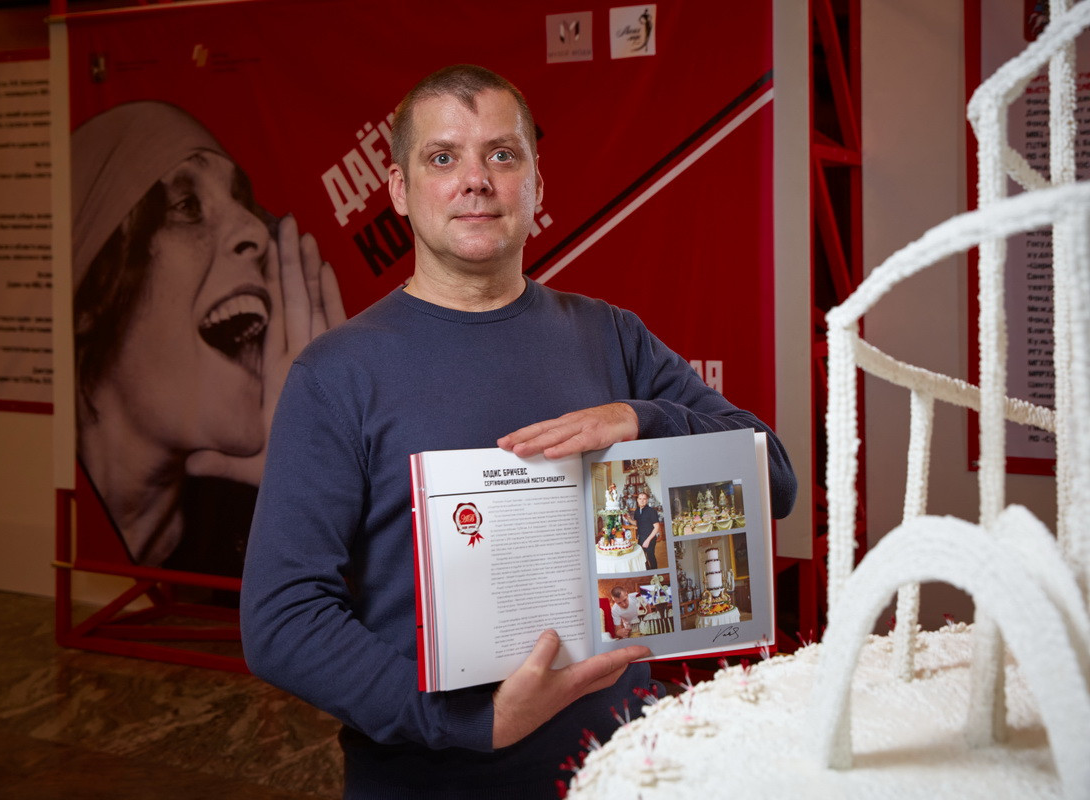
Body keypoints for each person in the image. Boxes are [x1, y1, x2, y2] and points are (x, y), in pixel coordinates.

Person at [240, 64, 796, 797]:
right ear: (399, 190)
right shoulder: (337, 374)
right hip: (434, 782)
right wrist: (471, 722)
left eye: (502, 155)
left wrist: (643, 419)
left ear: (536, 184)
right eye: (443, 157)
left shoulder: (611, 336)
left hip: (622, 769)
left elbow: (775, 479)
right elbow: (282, 619)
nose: (476, 180)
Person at [72, 101, 345, 575]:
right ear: (94, 293)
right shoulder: (38, 516)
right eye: (186, 207)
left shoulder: (245, 526)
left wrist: (310, 480)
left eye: (242, 201)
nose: (255, 229)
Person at [628, 491, 664, 569]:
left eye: (644, 499)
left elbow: (657, 527)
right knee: (642, 556)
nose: (642, 501)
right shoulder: (637, 511)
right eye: (640, 499)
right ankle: (647, 570)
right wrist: (628, 518)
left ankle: (655, 573)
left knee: (650, 556)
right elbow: (637, 523)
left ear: (647, 500)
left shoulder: (651, 511)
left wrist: (648, 540)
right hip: (641, 537)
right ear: (637, 500)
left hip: (650, 538)